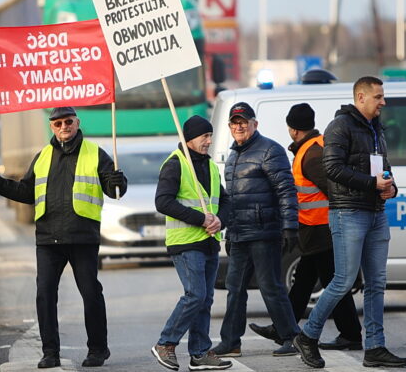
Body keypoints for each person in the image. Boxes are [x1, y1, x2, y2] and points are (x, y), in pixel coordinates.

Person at [0, 107, 126, 368]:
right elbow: (27, 192)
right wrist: (0, 184)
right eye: (58, 123)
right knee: (45, 295)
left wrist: (119, 180)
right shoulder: (43, 156)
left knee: (90, 293)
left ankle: (98, 349)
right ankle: (50, 352)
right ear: (51, 126)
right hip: (49, 239)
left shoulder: (95, 153)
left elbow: (113, 189)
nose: (64, 126)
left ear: (77, 122)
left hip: (83, 237)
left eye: (68, 121)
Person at [294, 76, 406, 369]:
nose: (383, 102)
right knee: (343, 280)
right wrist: (372, 184)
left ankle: (375, 347)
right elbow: (332, 168)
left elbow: (384, 167)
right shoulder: (340, 127)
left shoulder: (376, 129)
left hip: (376, 213)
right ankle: (308, 336)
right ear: (361, 97)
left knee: (377, 284)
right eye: (378, 97)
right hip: (348, 213)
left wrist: (392, 186)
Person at [248, 103, 363, 351]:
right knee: (303, 282)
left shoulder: (310, 155)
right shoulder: (316, 145)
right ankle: (283, 328)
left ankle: (351, 334)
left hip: (321, 229)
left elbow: (335, 191)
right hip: (317, 230)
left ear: (292, 129)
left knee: (333, 282)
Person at [211, 102, 301, 357]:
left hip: (264, 232)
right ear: (230, 127)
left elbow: (286, 190)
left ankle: (291, 337)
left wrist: (290, 226)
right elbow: (231, 199)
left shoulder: (270, 150)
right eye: (234, 122)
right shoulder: (233, 156)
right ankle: (231, 342)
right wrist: (228, 230)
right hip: (239, 234)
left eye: (243, 121)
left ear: (254, 124)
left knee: (270, 286)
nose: (238, 126)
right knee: (234, 289)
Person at [150, 116, 232, 371]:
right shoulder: (175, 164)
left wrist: (220, 220)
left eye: (210, 136)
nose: (209, 141)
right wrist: (200, 218)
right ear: (189, 140)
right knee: (195, 294)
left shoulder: (209, 166)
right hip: (185, 242)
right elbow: (162, 201)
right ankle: (166, 343)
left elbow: (225, 201)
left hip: (208, 241)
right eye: (203, 137)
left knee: (205, 299)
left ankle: (199, 353)